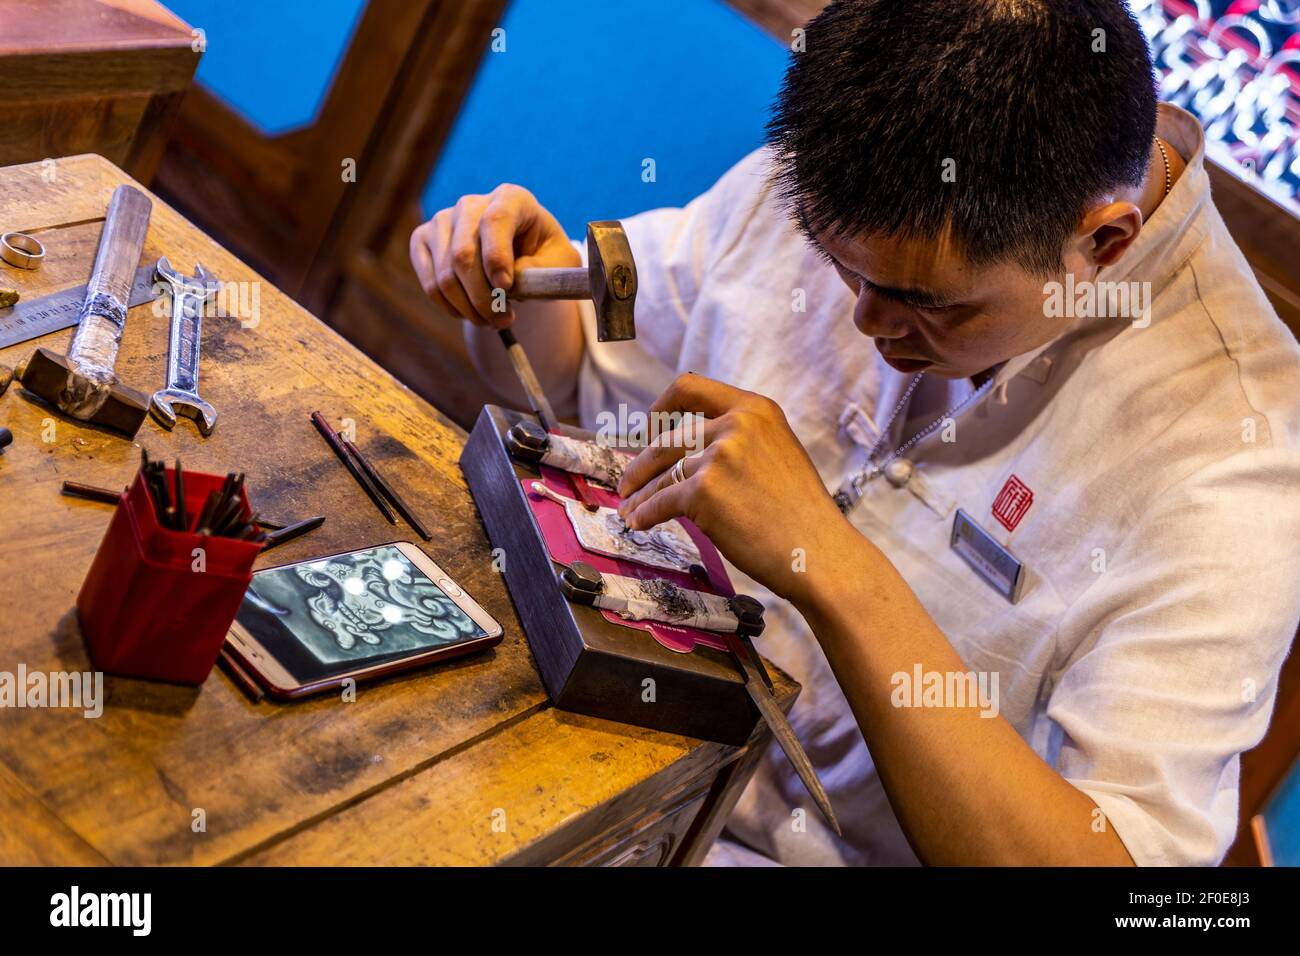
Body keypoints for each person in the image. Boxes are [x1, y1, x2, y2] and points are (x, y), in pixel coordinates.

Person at [409, 0, 1300, 865]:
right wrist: (514, 284)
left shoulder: (1236, 462)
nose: (866, 319)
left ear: (1102, 246)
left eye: (924, 300)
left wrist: (830, 564)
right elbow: (578, 381)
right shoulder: (862, 154)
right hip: (608, 761)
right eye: (838, 266)